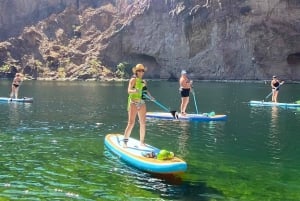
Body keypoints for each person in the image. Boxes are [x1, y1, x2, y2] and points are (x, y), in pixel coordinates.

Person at [123, 64, 154, 147]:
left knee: (143, 123)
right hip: (133, 102)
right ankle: (125, 142)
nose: (141, 72)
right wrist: (134, 90)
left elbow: (145, 92)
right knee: (131, 123)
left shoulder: (144, 82)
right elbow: (129, 90)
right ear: (136, 71)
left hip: (142, 102)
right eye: (139, 70)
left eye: (142, 71)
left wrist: (151, 97)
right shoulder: (133, 80)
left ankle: (142, 142)